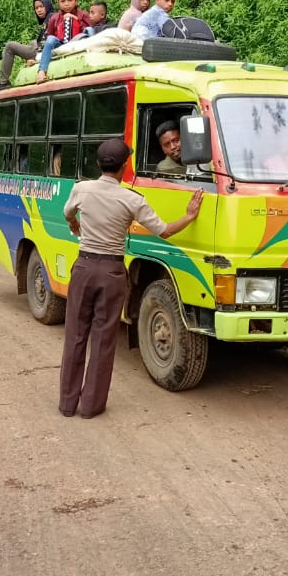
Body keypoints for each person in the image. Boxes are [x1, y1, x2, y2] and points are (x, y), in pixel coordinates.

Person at [59, 139, 203, 419]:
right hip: (111, 272)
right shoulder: (131, 199)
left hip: (84, 267)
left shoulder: (81, 189)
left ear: (99, 164)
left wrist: (74, 224)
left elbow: (68, 213)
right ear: (124, 167)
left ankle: (67, 404)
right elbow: (164, 231)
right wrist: (189, 215)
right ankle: (90, 407)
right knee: (102, 339)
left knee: (76, 335)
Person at [0, 0, 54, 91]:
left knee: (10, 46)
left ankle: (3, 82)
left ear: (47, 5)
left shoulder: (51, 18)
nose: (39, 10)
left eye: (41, 6)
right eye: (36, 8)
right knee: (32, 42)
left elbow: (49, 40)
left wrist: (38, 59)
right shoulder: (48, 18)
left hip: (42, 51)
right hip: (40, 48)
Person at [37, 0, 91, 81]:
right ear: (58, 3)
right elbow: (50, 36)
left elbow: (87, 32)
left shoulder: (83, 15)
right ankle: (42, 71)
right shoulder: (54, 18)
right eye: (63, 1)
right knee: (50, 39)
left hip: (78, 40)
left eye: (69, 0)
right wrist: (63, 22)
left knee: (90, 30)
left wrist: (75, 20)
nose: (66, 4)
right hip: (61, 43)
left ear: (76, 1)